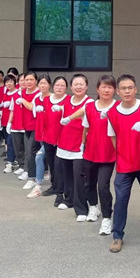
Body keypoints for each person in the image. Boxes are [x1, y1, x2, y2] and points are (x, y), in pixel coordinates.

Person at [106, 74, 140, 253]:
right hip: (125, 164)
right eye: (123, 88)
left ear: (136, 89)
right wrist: (123, 152)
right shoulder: (112, 113)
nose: (127, 91)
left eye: (130, 88)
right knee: (121, 200)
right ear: (118, 92)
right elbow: (113, 137)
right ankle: (117, 235)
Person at [81, 75, 117, 235]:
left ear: (114, 90)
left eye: (110, 87)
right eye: (104, 87)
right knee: (89, 183)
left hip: (109, 153)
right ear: (97, 89)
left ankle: (107, 217)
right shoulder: (89, 107)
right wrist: (82, 145)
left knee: (103, 186)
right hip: (90, 152)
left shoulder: (117, 107)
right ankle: (93, 207)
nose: (106, 90)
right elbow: (85, 128)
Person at [57, 74, 92, 220]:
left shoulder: (89, 102)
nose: (78, 87)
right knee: (67, 175)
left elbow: (83, 110)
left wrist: (69, 118)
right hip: (64, 143)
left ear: (86, 86)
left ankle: (81, 209)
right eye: (75, 84)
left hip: (79, 145)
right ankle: (69, 199)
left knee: (79, 177)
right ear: (71, 87)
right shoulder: (67, 100)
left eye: (81, 84)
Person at [41, 76, 69, 197]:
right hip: (48, 137)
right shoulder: (47, 100)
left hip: (63, 138)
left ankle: (63, 187)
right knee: (51, 163)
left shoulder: (69, 100)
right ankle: (55, 186)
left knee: (61, 165)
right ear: (53, 86)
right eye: (57, 85)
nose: (59, 88)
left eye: (62, 86)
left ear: (66, 88)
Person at [27, 74, 51, 198]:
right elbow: (34, 113)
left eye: (45, 83)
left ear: (49, 85)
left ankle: (38, 185)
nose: (43, 85)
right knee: (44, 157)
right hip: (41, 133)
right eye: (41, 83)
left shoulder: (53, 98)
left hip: (52, 135)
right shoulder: (37, 98)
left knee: (39, 156)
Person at [0, 75, 18, 173]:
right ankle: (10, 160)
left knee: (12, 142)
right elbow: (3, 109)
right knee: (8, 142)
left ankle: (12, 162)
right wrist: (0, 120)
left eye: (11, 81)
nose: (9, 84)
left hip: (13, 122)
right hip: (4, 121)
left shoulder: (18, 93)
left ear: (15, 82)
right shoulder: (6, 94)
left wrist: (10, 122)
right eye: (7, 82)